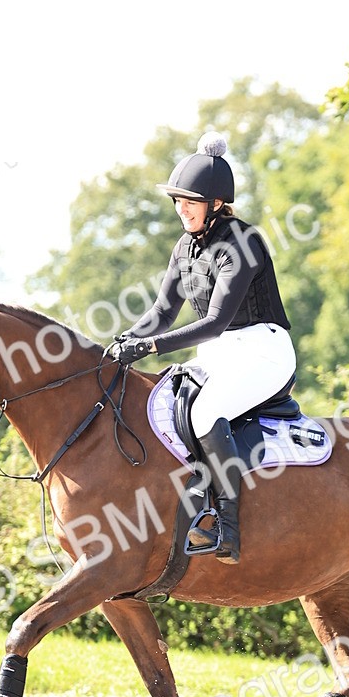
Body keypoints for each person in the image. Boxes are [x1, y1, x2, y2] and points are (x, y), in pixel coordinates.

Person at [109, 132, 295, 565]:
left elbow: (214, 323)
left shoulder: (241, 243)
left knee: (206, 411)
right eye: (177, 201)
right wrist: (122, 342)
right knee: (162, 405)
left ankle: (227, 526)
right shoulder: (185, 247)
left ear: (216, 203)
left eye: (190, 201)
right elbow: (162, 311)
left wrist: (149, 346)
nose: (181, 209)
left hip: (264, 350)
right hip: (222, 353)